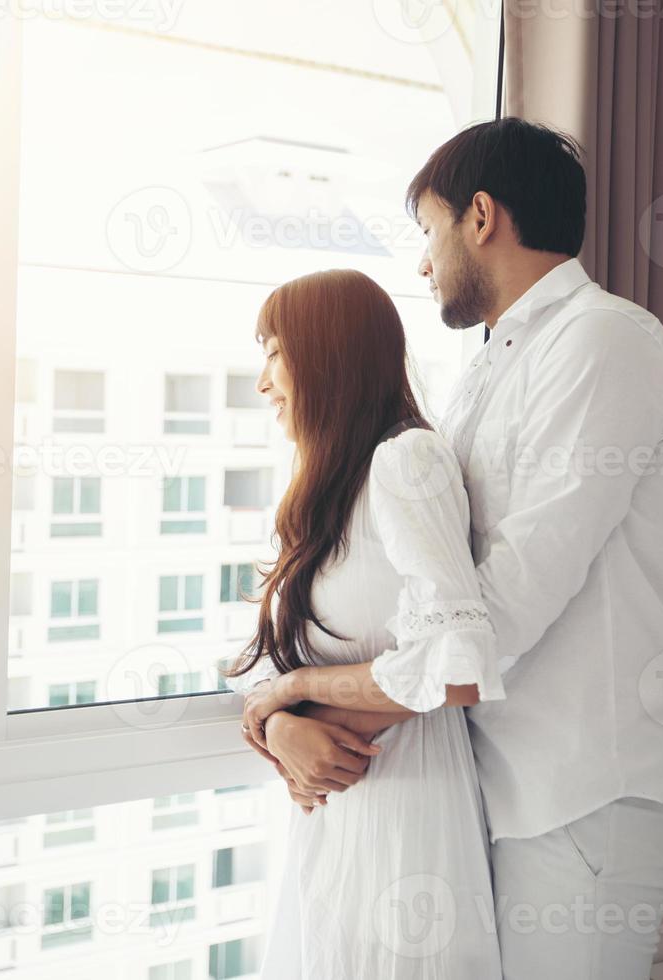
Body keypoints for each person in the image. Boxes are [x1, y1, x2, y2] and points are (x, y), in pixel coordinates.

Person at [243, 117, 663, 979]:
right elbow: (423, 609)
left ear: (480, 216)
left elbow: (508, 599)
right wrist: (288, 716)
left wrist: (302, 702)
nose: (421, 263)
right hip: (487, 781)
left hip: (576, 791)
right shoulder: (488, 374)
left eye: (428, 230)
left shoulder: (605, 342)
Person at [223, 267, 506, 979]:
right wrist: (280, 725)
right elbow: (263, 666)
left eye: (274, 351)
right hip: (333, 803)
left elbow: (457, 667)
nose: (263, 382)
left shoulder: (406, 462)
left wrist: (296, 697)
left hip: (407, 806)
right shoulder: (323, 492)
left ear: (327, 353)